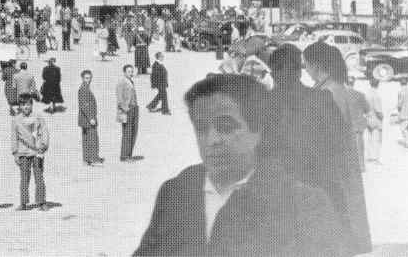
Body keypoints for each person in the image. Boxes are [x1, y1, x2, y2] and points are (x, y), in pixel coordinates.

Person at [133, 74, 347, 256]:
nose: (212, 140)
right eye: (201, 128)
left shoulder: (304, 204)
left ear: (258, 132)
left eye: (226, 127)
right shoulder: (176, 192)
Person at [268, 44, 371, 256]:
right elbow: (341, 145)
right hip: (325, 189)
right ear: (298, 69)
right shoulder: (325, 95)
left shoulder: (262, 104)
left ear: (272, 72)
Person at [12, 95, 49, 211]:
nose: (26, 107)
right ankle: (23, 203)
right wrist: (15, 153)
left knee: (39, 177)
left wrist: (44, 145)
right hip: (23, 153)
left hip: (37, 152)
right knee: (24, 178)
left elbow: (44, 131)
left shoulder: (38, 117)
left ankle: (41, 202)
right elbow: (14, 137)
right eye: (23, 105)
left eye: (28, 104)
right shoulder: (16, 120)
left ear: (32, 105)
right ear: (20, 106)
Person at [116, 65, 142, 162]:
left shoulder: (131, 81)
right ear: (124, 72)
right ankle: (124, 156)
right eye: (129, 71)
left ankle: (129, 155)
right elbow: (119, 98)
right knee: (127, 133)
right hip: (127, 110)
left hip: (134, 108)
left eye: (131, 71)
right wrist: (125, 109)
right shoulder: (122, 82)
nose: (131, 73)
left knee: (133, 133)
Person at [78, 70, 104, 166]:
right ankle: (93, 159)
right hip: (88, 119)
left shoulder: (85, 88)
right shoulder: (83, 89)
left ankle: (86, 159)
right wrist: (91, 118)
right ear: (82, 78)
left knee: (86, 139)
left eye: (89, 78)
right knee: (92, 138)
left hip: (84, 119)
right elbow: (84, 105)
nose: (88, 80)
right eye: (86, 78)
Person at [364, 77, 384, 163]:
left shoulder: (366, 94)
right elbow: (378, 110)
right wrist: (382, 117)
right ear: (378, 84)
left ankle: (369, 156)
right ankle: (375, 157)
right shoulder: (376, 95)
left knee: (369, 139)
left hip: (368, 118)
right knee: (376, 139)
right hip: (376, 120)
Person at [396, 75, 408, 148]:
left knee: (403, 129)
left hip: (404, 113)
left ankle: (407, 143)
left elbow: (399, 104)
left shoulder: (401, 91)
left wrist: (397, 109)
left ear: (400, 84)